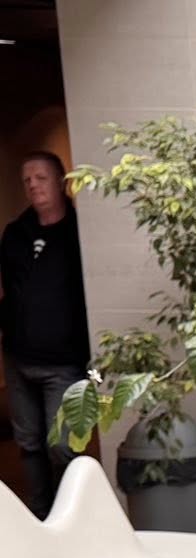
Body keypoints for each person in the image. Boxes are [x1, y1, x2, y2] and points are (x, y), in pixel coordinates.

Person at [2, 151, 91, 517]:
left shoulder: (80, 233)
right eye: (27, 180)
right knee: (28, 444)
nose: (33, 186)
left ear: (61, 182)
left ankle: (69, 517)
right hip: (19, 358)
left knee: (63, 446)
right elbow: (10, 291)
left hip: (65, 362)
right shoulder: (15, 234)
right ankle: (41, 517)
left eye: (40, 178)